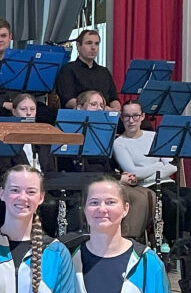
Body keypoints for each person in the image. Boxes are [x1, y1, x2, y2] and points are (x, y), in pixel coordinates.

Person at [66, 90, 154, 241]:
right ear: (79, 108)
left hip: (108, 178)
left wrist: (122, 176)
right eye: (94, 104)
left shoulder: (104, 131)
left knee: (148, 194)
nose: (99, 109)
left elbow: (108, 164)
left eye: (102, 105)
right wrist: (118, 179)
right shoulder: (70, 131)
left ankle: (133, 240)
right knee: (136, 198)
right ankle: (126, 239)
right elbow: (80, 169)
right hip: (85, 181)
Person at [112, 101, 190, 243]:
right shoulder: (119, 143)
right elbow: (133, 173)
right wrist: (158, 166)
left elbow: (173, 166)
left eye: (135, 116)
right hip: (146, 186)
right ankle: (173, 244)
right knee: (175, 203)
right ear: (121, 118)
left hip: (167, 182)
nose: (131, 120)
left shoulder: (153, 136)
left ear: (142, 116)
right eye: (127, 116)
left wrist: (151, 171)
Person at [0, 93, 59, 230]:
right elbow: (4, 170)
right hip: (19, 186)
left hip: (43, 185)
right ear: (14, 112)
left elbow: (49, 167)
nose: (28, 113)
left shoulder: (43, 136)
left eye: (32, 109)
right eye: (23, 109)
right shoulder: (5, 138)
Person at [53, 29, 120, 109]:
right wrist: (97, 108)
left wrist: (115, 110)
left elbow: (114, 99)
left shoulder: (104, 72)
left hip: (105, 117)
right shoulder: (68, 70)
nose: (93, 47)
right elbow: (68, 101)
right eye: (89, 43)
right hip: (78, 116)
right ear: (78, 46)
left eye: (96, 44)